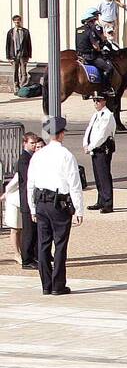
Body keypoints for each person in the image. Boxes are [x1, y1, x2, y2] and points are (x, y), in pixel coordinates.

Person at [25, 117, 84, 297]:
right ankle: (58, 285)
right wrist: (79, 209)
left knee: (43, 244)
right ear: (62, 134)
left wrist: (33, 208)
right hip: (58, 203)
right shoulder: (66, 155)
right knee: (60, 245)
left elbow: (30, 183)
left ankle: (46, 284)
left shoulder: (38, 154)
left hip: (41, 202)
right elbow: (74, 184)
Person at [82, 92, 116, 214]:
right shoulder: (96, 115)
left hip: (103, 148)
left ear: (104, 101)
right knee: (98, 175)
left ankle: (108, 203)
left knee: (104, 176)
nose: (96, 103)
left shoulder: (107, 116)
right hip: (94, 149)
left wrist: (90, 146)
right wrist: (85, 143)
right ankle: (101, 200)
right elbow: (89, 130)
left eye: (98, 100)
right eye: (94, 101)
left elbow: (102, 135)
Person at [14, 131, 41, 269]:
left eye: (35, 143)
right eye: (31, 143)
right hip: (26, 199)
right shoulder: (24, 159)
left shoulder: (33, 157)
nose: (34, 145)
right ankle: (27, 259)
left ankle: (34, 255)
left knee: (35, 230)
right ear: (25, 143)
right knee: (29, 231)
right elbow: (28, 177)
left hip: (33, 199)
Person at [76, 10, 115, 94]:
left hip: (79, 56)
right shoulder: (90, 31)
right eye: (93, 21)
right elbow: (95, 46)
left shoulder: (77, 30)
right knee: (109, 68)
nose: (94, 22)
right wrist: (100, 49)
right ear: (89, 21)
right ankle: (106, 89)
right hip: (90, 57)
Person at [6, 14, 32, 92]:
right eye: (16, 21)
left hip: (23, 54)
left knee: (23, 72)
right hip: (14, 55)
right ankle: (16, 86)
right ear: (13, 22)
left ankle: (22, 85)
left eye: (18, 21)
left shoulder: (25, 31)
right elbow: (8, 45)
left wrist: (29, 55)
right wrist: (8, 57)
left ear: (20, 21)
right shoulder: (10, 32)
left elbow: (29, 44)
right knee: (15, 72)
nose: (17, 23)